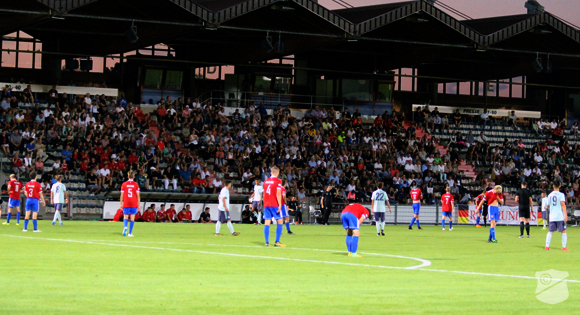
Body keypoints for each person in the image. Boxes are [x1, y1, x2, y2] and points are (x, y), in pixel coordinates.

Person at [263, 166, 285, 247]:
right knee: (280, 221)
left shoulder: (265, 181)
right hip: (274, 204)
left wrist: (264, 204)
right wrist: (280, 205)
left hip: (266, 204)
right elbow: (278, 193)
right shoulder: (278, 181)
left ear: (271, 173)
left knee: (267, 223)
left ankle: (267, 242)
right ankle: (277, 241)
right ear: (278, 173)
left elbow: (264, 194)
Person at [545, 181, 569, 251]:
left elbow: (548, 205)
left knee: (550, 231)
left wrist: (547, 207)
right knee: (563, 231)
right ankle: (564, 247)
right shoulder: (561, 195)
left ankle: (547, 246)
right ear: (560, 186)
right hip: (559, 216)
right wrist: (565, 215)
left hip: (552, 216)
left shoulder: (550, 195)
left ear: (553, 186)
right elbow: (563, 205)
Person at [120, 171, 140, 237]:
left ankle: (125, 227)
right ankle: (130, 233)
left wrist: (121, 203)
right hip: (133, 202)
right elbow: (138, 196)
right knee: (132, 218)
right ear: (134, 177)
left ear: (128, 176)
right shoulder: (136, 185)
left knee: (125, 216)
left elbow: (121, 195)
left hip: (126, 202)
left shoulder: (124, 184)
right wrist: (139, 205)